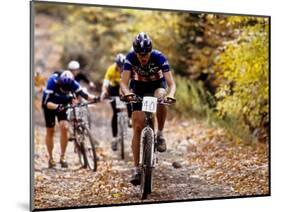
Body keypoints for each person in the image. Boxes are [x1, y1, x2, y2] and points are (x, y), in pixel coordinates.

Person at [120, 32, 176, 185]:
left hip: (157, 86)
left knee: (161, 97)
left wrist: (170, 95)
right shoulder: (130, 57)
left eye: (145, 54)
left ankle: (160, 133)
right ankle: (137, 168)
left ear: (150, 51)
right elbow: (123, 82)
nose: (142, 57)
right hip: (138, 88)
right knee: (137, 125)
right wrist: (127, 93)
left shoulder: (159, 57)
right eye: (139, 54)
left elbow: (171, 83)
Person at [42, 70, 96, 168]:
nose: (65, 90)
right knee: (51, 131)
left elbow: (85, 96)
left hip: (63, 104)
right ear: (60, 83)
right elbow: (47, 103)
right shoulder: (52, 82)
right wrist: (57, 107)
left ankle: (62, 157)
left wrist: (96, 98)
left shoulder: (73, 83)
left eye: (67, 89)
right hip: (50, 105)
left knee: (64, 127)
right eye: (63, 88)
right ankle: (50, 158)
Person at [100, 53, 131, 151]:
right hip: (113, 89)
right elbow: (105, 83)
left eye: (122, 66)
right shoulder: (111, 69)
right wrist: (104, 92)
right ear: (116, 64)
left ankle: (130, 118)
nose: (120, 68)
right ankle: (114, 138)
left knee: (130, 100)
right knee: (115, 112)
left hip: (124, 87)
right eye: (119, 66)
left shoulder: (128, 68)